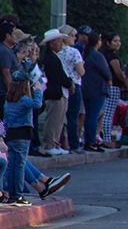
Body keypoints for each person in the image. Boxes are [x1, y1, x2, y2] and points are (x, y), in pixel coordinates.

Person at [2, 68, 43, 206]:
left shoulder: (9, 100)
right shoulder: (24, 99)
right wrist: (38, 90)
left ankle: (11, 193)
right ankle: (18, 195)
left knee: (11, 165)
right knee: (19, 165)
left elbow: (5, 120)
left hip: (11, 134)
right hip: (22, 134)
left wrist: (3, 135)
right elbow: (37, 104)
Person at [40, 29, 73, 156]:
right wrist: (69, 83)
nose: (61, 44)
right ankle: (49, 144)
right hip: (54, 92)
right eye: (59, 41)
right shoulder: (50, 58)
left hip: (60, 92)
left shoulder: (55, 57)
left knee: (60, 120)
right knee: (53, 120)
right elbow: (58, 76)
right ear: (52, 43)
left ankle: (55, 143)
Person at [82, 32, 111, 152]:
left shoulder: (86, 54)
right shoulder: (97, 55)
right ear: (97, 42)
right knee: (93, 116)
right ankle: (91, 141)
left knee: (89, 116)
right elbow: (106, 72)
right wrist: (109, 80)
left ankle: (88, 140)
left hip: (87, 88)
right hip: (97, 89)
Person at [58, 25, 85, 153]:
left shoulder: (55, 52)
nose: (75, 38)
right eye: (73, 35)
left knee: (59, 116)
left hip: (59, 86)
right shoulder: (74, 52)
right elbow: (81, 71)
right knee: (72, 116)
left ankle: (59, 142)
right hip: (74, 85)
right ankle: (74, 144)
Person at [100, 32, 126, 147]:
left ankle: (100, 137)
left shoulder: (101, 54)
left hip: (103, 87)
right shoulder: (113, 57)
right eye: (115, 41)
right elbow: (118, 73)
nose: (118, 43)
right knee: (108, 114)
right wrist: (127, 82)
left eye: (119, 41)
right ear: (108, 42)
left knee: (103, 113)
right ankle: (106, 139)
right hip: (114, 87)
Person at [0, 20, 18, 117]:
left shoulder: (8, 50)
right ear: (7, 36)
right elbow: (6, 72)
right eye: (14, 34)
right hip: (3, 93)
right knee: (2, 118)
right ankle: (2, 132)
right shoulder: (4, 51)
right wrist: (11, 91)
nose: (16, 37)